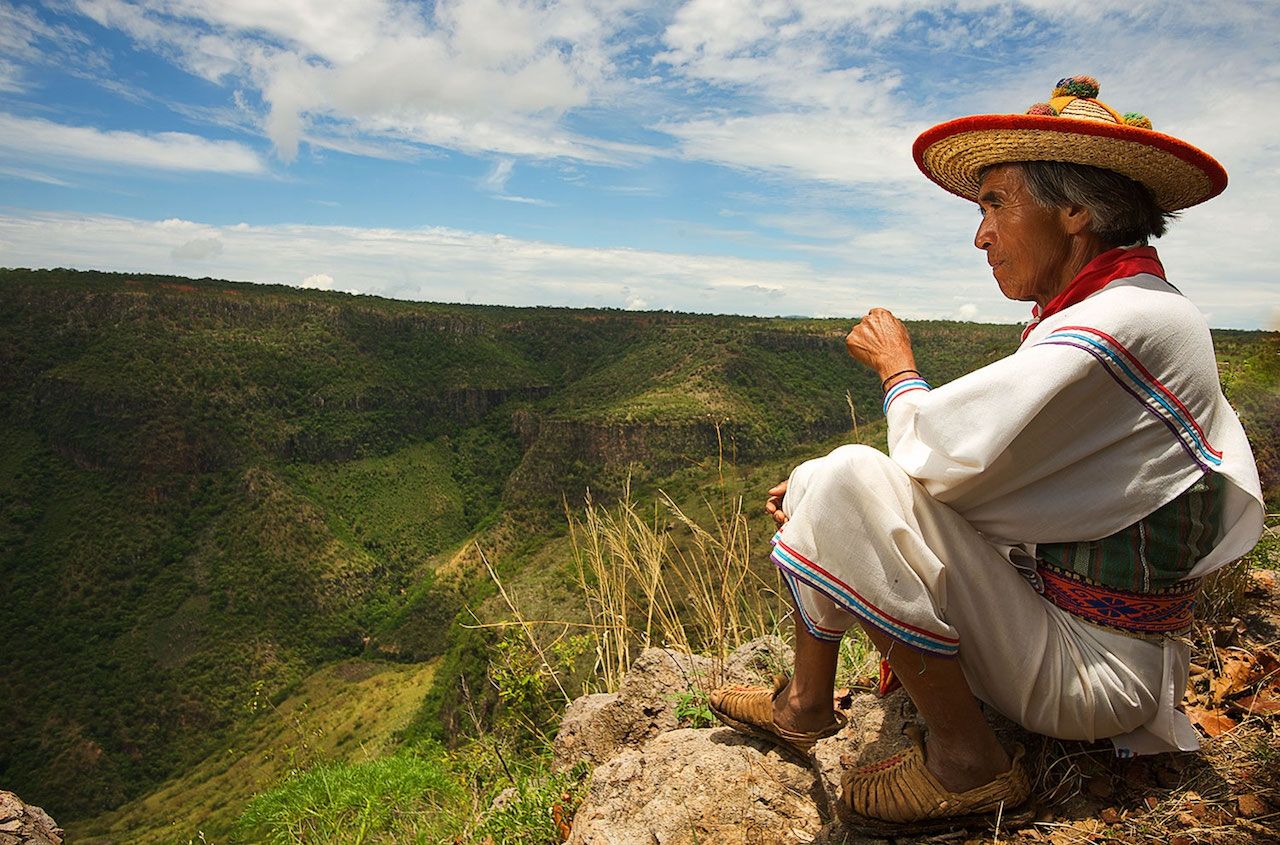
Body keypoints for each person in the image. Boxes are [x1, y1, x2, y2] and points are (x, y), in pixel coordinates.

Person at [708, 75, 1265, 831]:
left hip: (1092, 672)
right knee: (825, 482)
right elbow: (981, 476)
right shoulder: (1126, 308)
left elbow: (937, 456)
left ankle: (968, 764)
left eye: (995, 203)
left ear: (1075, 210)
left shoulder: (1121, 323)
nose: (980, 234)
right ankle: (804, 704)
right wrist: (826, 502)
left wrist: (897, 368)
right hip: (1067, 634)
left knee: (842, 477)